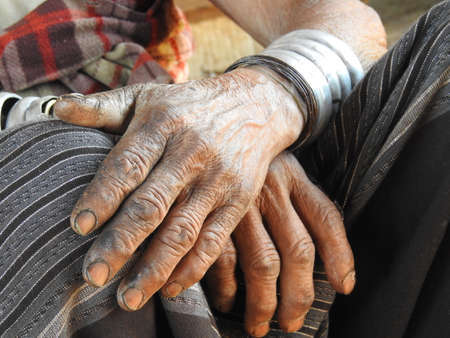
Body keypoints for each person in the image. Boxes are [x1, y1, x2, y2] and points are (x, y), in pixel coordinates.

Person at [0, 0, 448, 337]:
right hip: (56, 169)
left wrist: (260, 103)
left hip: (221, 124)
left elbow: (342, 19)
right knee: (74, 187)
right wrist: (163, 137)